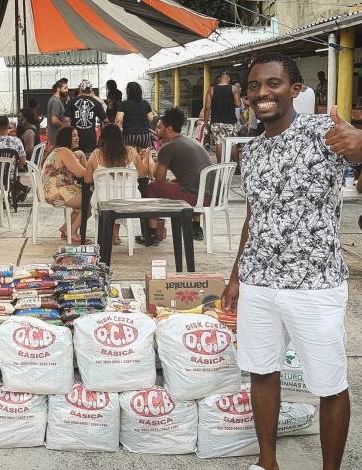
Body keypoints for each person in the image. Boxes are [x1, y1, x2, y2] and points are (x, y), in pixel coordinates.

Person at [221, 52, 362, 470]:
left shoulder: (323, 132)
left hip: (315, 283)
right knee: (262, 372)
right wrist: (236, 277)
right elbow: (254, 216)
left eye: (273, 83)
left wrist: (360, 142)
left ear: (295, 90)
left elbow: (354, 149)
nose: (262, 93)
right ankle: (267, 462)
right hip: (259, 282)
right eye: (254, 86)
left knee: (329, 383)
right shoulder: (251, 152)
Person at [144, 107, 211, 246]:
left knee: (152, 187)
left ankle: (152, 233)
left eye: (159, 127)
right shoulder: (191, 141)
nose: (156, 130)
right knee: (178, 182)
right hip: (212, 195)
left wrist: (154, 156)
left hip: (197, 198)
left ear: (169, 128)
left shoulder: (168, 147)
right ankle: (196, 227)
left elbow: (159, 178)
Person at [84, 124, 147, 244]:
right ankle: (115, 235)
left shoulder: (96, 155)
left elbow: (87, 180)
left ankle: (109, 235)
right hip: (130, 201)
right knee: (118, 197)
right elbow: (143, 174)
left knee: (111, 198)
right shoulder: (132, 152)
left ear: (102, 138)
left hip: (103, 202)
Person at [41, 126, 86, 243]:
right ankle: (73, 232)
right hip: (56, 192)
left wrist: (80, 155)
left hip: (50, 191)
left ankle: (65, 228)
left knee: (84, 199)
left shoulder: (59, 150)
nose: (77, 138)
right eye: (73, 136)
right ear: (66, 138)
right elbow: (82, 174)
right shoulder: (65, 151)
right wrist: (88, 162)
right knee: (90, 200)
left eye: (77, 135)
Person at [204, 71, 242, 163]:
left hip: (216, 122)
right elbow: (238, 104)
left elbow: (207, 107)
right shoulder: (234, 88)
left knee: (219, 143)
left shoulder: (211, 90)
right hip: (230, 121)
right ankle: (236, 166)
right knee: (233, 143)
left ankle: (220, 166)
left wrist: (206, 122)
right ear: (228, 78)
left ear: (220, 78)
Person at [64, 80, 107, 155]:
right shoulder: (96, 103)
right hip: (90, 139)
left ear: (80, 89)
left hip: (75, 140)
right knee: (89, 161)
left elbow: (66, 120)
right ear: (91, 90)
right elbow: (105, 121)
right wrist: (102, 135)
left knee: (76, 160)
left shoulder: (72, 102)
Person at [115, 81, 155, 149]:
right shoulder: (145, 103)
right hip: (144, 135)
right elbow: (151, 118)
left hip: (129, 135)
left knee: (130, 154)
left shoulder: (124, 104)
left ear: (128, 92)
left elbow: (118, 120)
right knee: (144, 154)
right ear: (140, 91)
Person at [46, 81, 67, 147]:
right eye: (65, 88)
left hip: (54, 137)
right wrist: (64, 127)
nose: (67, 90)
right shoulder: (56, 101)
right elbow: (54, 120)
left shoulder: (53, 99)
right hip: (56, 137)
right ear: (58, 89)